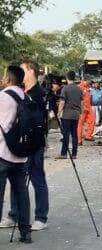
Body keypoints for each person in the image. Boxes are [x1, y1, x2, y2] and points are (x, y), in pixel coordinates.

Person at [1, 60, 49, 232]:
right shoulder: (21, 92)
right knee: (17, 180)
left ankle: (41, 217)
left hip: (34, 143)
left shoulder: (39, 93)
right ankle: (14, 214)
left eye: (22, 69)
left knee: (37, 178)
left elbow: (41, 122)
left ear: (30, 71)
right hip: (18, 142)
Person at [0, 65, 32, 243]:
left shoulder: (3, 96)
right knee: (21, 193)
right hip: (22, 154)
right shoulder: (26, 96)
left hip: (3, 153)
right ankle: (25, 233)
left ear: (8, 78)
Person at [57, 71, 83, 159]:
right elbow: (81, 102)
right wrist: (81, 112)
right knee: (74, 134)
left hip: (67, 115)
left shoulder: (65, 88)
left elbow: (62, 102)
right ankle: (74, 153)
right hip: (76, 115)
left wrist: (59, 112)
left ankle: (64, 153)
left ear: (67, 78)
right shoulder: (79, 89)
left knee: (66, 134)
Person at [77, 80, 95, 145]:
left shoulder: (87, 88)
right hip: (82, 108)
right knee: (80, 124)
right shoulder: (79, 87)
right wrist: (81, 107)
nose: (90, 86)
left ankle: (88, 136)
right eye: (90, 85)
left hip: (88, 107)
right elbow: (78, 98)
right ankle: (79, 140)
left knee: (92, 120)